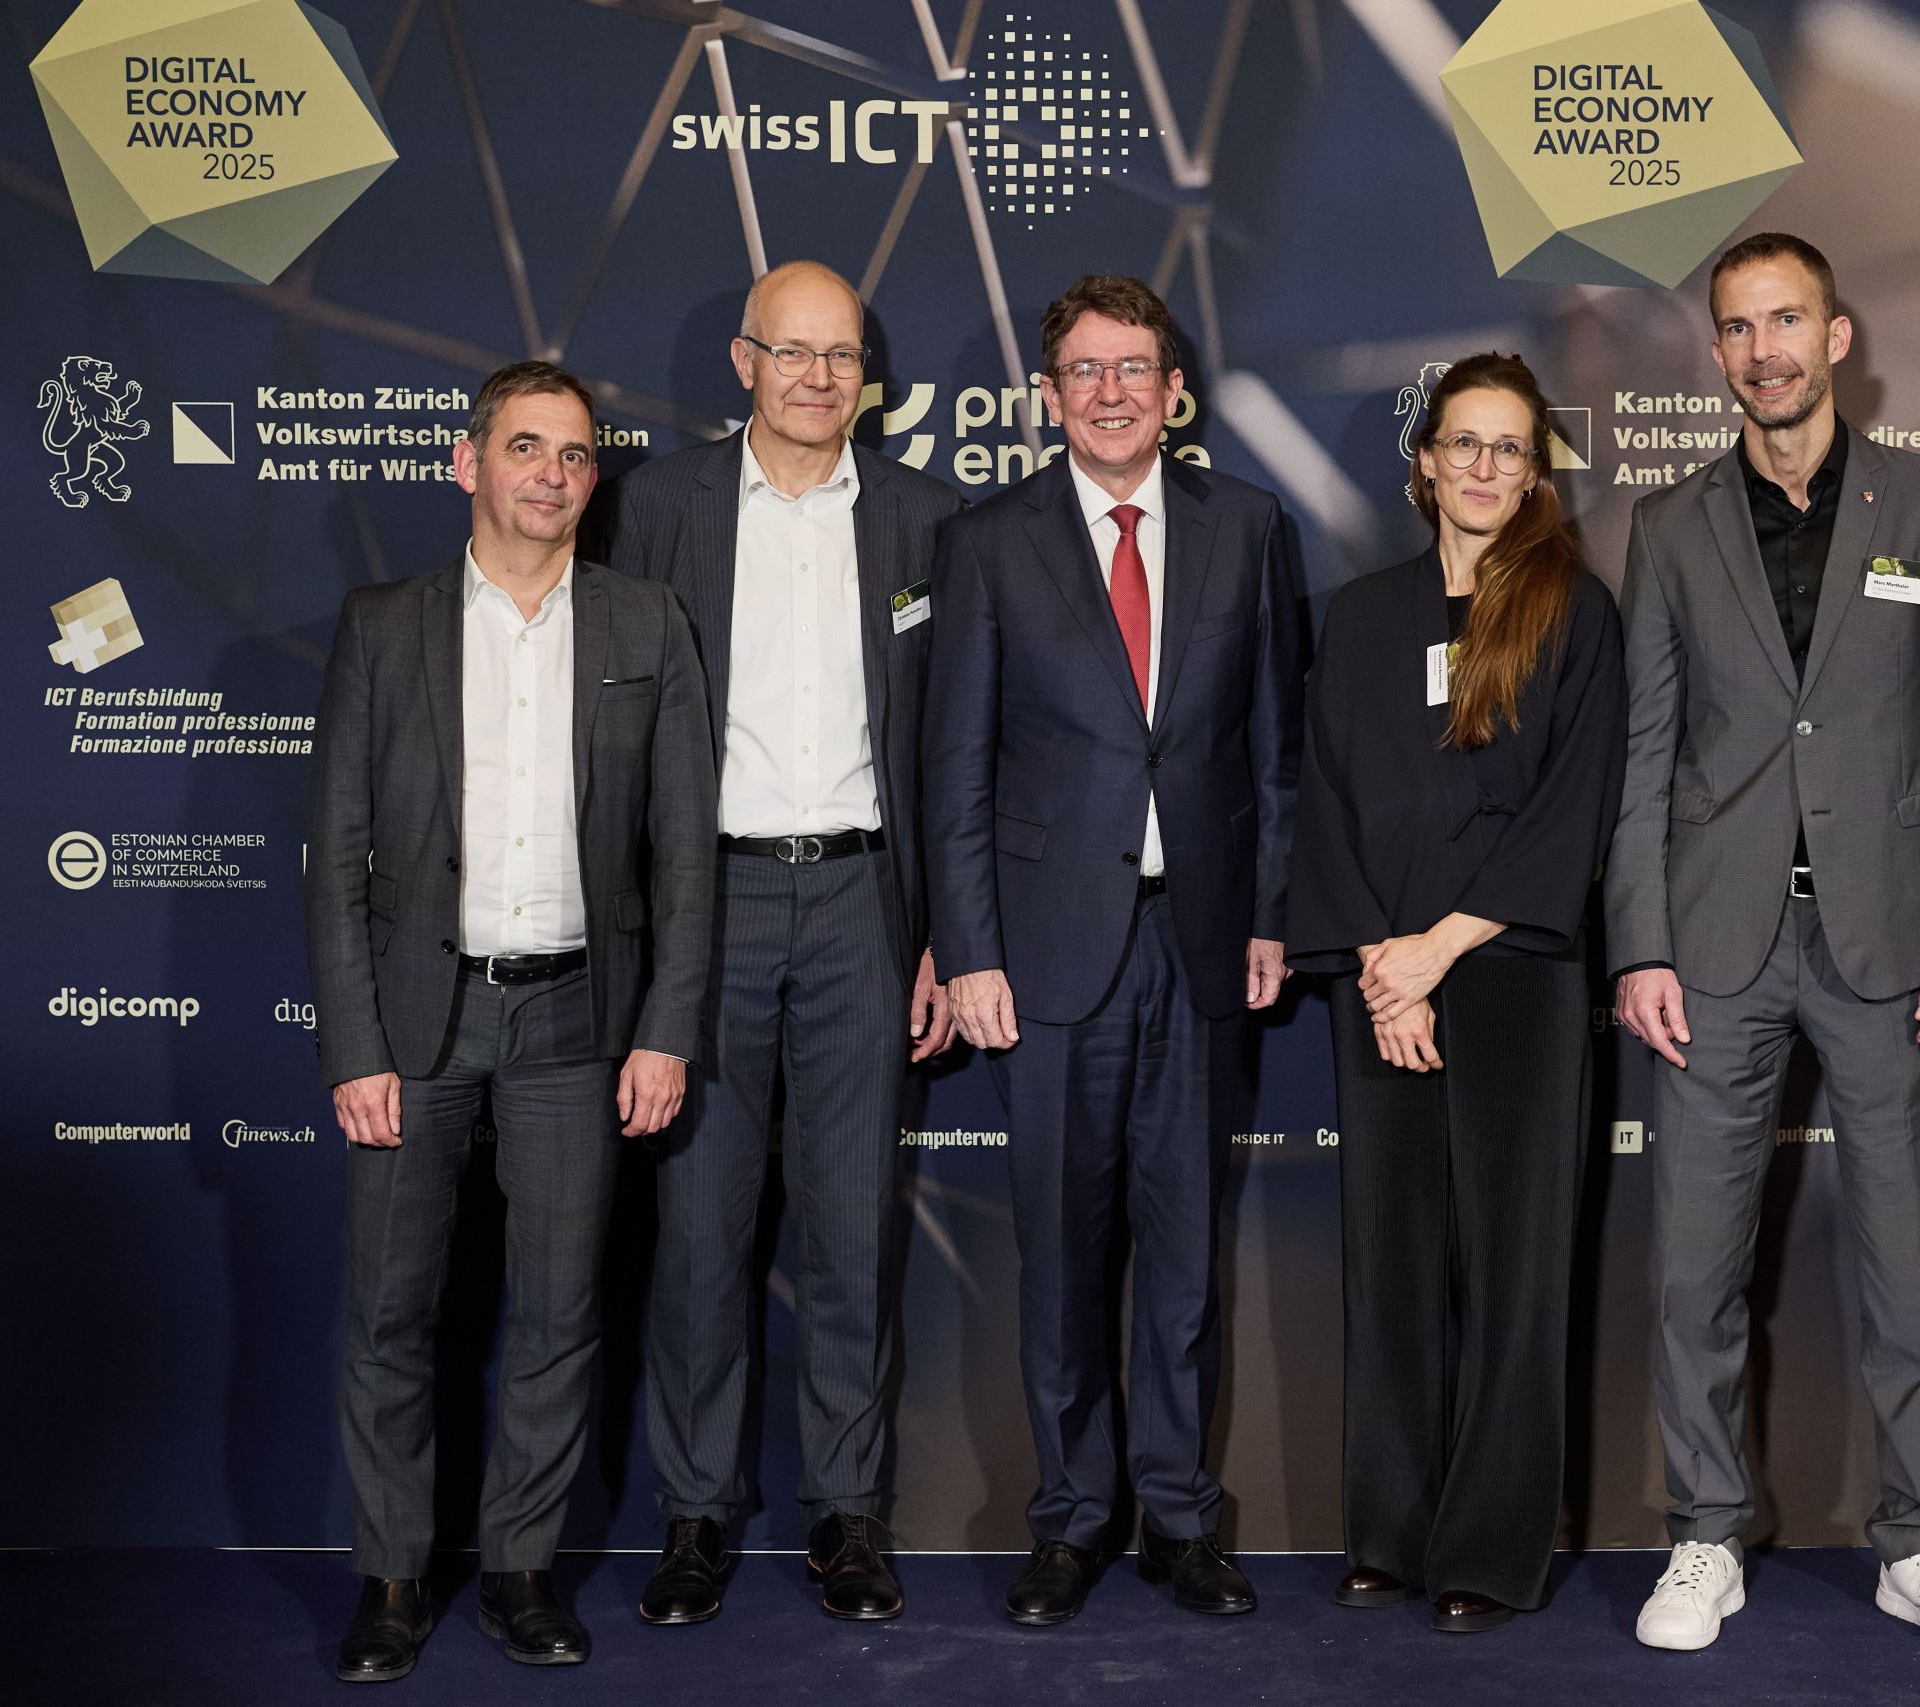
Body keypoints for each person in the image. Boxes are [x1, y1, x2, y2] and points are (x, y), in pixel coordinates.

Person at [1605, 231, 1920, 1656]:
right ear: (1717, 353)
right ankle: (1704, 1534)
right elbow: (1645, 754)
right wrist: (1639, 944)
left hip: (1890, 945)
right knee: (1691, 1268)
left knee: (1904, 1264)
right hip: (1713, 948)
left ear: (1835, 337)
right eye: (1737, 327)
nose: (1762, 349)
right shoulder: (1668, 524)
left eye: (1785, 321)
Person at [306, 360, 717, 1682]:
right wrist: (355, 1045)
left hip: (578, 1023)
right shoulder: (385, 625)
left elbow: (683, 853)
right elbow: (339, 851)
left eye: (577, 453)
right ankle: (389, 1579)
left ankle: (520, 1569)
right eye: (527, 446)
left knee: (558, 1311)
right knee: (391, 1314)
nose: (553, 473)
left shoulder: (647, 622)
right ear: (468, 462)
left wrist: (666, 1026)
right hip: (414, 1024)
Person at [924, 274, 1303, 1627]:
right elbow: (954, 766)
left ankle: (1182, 1519)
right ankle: (1072, 1520)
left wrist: (1269, 912)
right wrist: (968, 948)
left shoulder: (1247, 527)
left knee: (1185, 1257)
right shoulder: (987, 542)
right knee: (1063, 1257)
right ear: (1047, 394)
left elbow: (1276, 750)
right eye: (1084, 370)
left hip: (1196, 945)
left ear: (1173, 389)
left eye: (1133, 367)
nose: (1110, 392)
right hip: (1046, 957)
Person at [588, 261, 961, 1626]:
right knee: (699, 1231)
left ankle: (847, 1514)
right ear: (743, 362)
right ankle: (697, 1514)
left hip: (867, 904)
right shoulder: (657, 506)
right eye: (792, 352)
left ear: (868, 374)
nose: (817, 377)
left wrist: (942, 933)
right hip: (712, 905)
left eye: (841, 355)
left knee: (854, 1226)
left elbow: (953, 748)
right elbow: (613, 726)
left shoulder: (928, 518)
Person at [1287, 353, 1624, 1633]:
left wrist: (1439, 951)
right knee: (1391, 1262)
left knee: (1513, 1274)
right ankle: (1389, 1527)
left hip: (1514, 979)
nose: (1483, 467)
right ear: (1423, 460)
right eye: (1463, 443)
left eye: (1509, 449)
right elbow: (1326, 796)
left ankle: (1488, 1547)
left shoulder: (1573, 612)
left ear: (1534, 475)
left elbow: (1571, 811)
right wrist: (1387, 969)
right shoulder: (1360, 615)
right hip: (1381, 985)